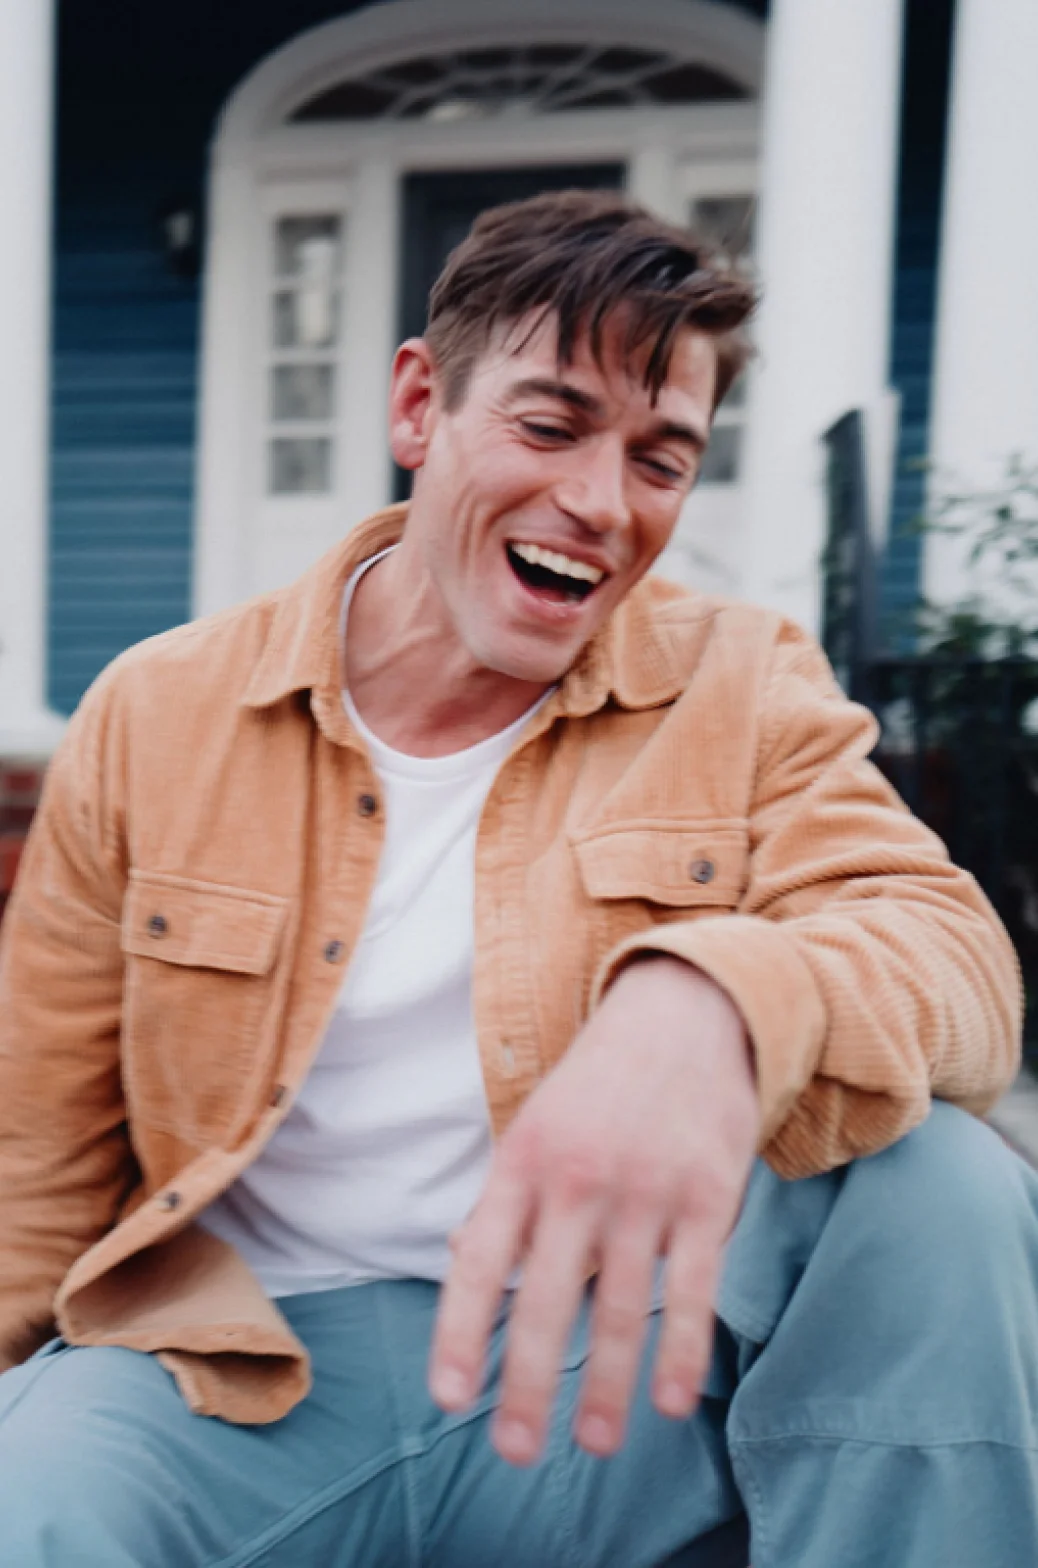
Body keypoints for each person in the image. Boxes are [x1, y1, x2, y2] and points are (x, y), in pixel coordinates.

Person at [0, 189, 1035, 1568]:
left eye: (660, 459)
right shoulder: (157, 709)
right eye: (548, 427)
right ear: (420, 406)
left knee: (939, 1180)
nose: (600, 504)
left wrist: (708, 1000)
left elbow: (954, 965)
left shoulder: (739, 678)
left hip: (609, 1378)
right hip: (231, 1368)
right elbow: (35, 1160)